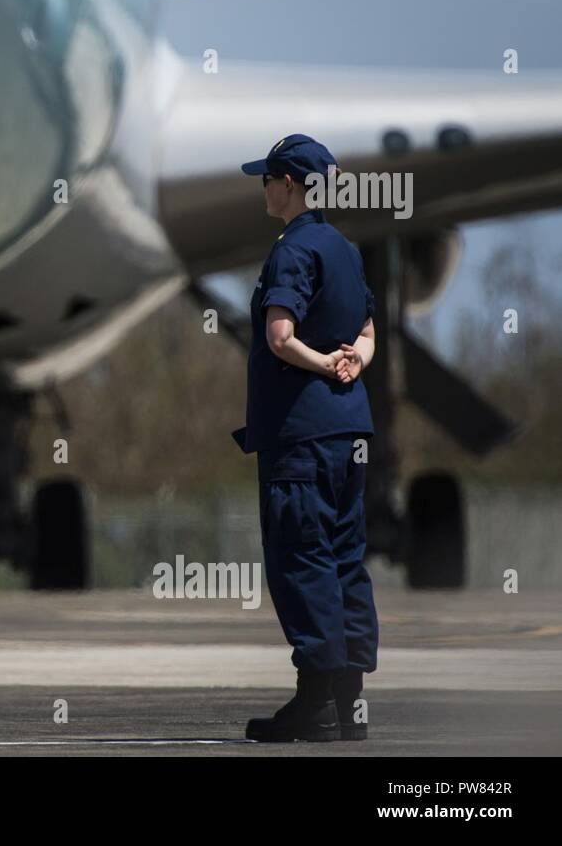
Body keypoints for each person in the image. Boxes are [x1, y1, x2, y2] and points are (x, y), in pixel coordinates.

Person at [232, 134, 380, 742]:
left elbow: (279, 335)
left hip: (303, 436)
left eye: (267, 178)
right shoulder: (344, 249)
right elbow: (368, 329)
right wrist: (353, 363)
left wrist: (320, 365)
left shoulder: (293, 249)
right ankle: (348, 703)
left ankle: (314, 702)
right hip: (351, 430)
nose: (263, 188)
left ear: (289, 184)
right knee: (345, 558)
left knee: (303, 557)